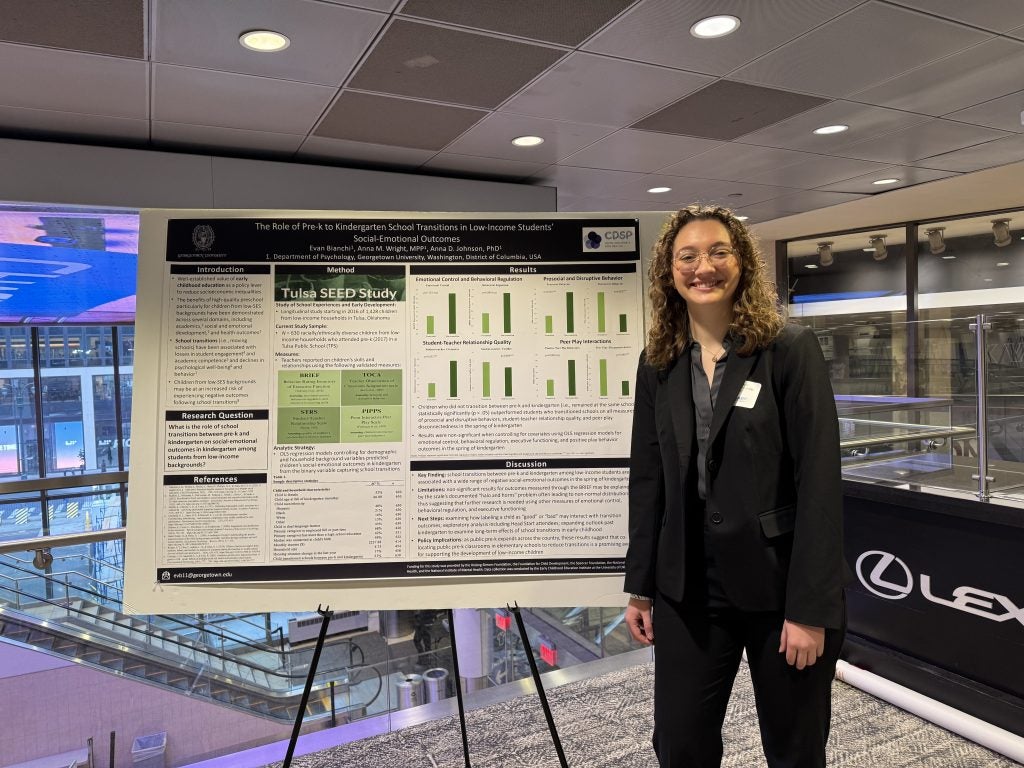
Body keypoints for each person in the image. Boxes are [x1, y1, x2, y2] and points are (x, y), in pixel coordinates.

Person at [624, 204, 848, 768]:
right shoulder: (657, 364)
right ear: (669, 272)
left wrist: (809, 610)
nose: (704, 267)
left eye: (718, 251)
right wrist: (642, 585)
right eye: (688, 256)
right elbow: (648, 481)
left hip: (779, 589)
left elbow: (819, 482)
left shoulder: (787, 351)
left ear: (741, 262)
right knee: (680, 744)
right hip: (688, 587)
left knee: (794, 748)